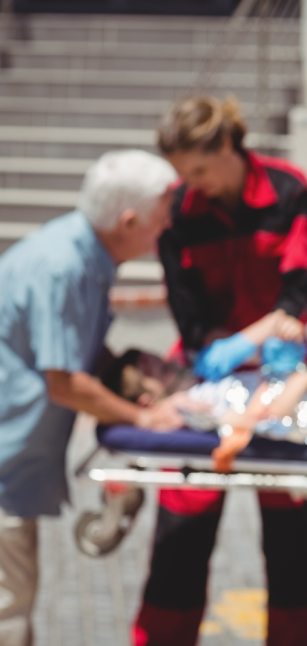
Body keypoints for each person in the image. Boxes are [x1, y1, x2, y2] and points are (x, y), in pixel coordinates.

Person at [132, 96, 307, 646]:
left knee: (292, 535)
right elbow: (188, 315)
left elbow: (305, 286)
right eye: (179, 173)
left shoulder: (289, 191)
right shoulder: (180, 213)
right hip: (207, 376)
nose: (190, 184)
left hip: (283, 378)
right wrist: (221, 350)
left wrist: (265, 338)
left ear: (226, 147)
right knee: (181, 530)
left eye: (197, 169)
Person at [0, 150, 183, 645]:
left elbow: (76, 349)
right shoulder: (64, 265)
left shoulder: (82, 254)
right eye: (161, 215)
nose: (166, 226)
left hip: (15, 460)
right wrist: (143, 420)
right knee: (8, 611)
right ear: (128, 221)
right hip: (5, 462)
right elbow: (64, 382)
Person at [101, 309, 307, 470]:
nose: (170, 364)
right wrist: (304, 381)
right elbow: (260, 424)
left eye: (162, 362)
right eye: (161, 372)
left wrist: (277, 327)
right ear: (147, 401)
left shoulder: (204, 375)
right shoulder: (189, 407)